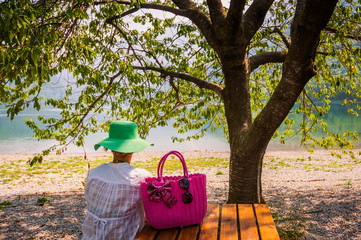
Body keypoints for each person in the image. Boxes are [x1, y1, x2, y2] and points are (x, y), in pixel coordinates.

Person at [82, 120, 153, 240]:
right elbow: (152, 212)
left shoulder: (93, 173)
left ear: (111, 148)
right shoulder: (141, 178)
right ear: (133, 150)